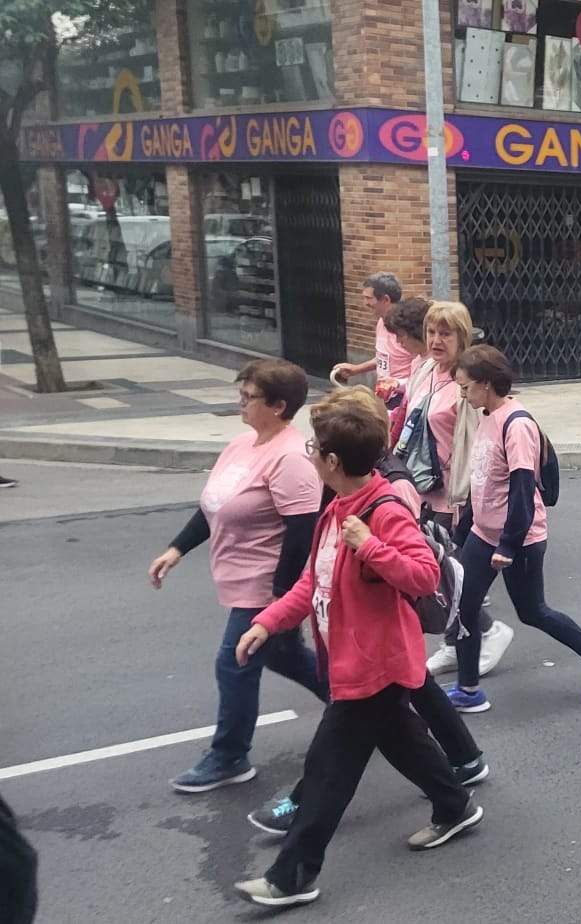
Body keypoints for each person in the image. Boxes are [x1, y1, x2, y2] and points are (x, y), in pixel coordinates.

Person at [229, 395, 482, 908]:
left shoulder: (381, 510)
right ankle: (455, 805)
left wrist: (369, 544)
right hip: (356, 661)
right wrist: (267, 623)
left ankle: (291, 876)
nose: (310, 455)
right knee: (404, 741)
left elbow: (422, 574)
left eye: (315, 449)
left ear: (333, 463)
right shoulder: (337, 509)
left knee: (328, 766)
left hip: (374, 664)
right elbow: (312, 583)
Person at [148, 359, 323, 794]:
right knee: (284, 655)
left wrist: (281, 602)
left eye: (248, 397)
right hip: (238, 576)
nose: (240, 404)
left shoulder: (291, 459)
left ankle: (230, 755)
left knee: (235, 662)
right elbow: (216, 504)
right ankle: (364, 706)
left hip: (266, 584)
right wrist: (177, 549)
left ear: (279, 406)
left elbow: (302, 535)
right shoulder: (243, 445)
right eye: (240, 395)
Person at [444, 345, 581, 713]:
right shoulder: (487, 415)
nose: (463, 394)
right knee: (464, 607)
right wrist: (468, 524)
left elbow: (522, 488)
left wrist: (508, 545)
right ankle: (468, 688)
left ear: (487, 384)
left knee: (532, 611)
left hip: (519, 539)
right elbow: (485, 479)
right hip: (483, 532)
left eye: (466, 387)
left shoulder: (517, 424)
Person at [389, 299, 515, 680]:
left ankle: (490, 631)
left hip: (454, 493)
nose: (435, 339)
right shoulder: (423, 367)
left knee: (451, 575)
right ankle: (452, 643)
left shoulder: (466, 383)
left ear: (462, 337)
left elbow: (483, 442)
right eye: (431, 331)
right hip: (422, 488)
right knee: (438, 576)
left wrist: (476, 497)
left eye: (445, 333)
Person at [329, 271, 414, 395]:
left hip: (404, 396)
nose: (365, 303)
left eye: (369, 298)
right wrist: (356, 369)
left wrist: (398, 384)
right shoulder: (381, 322)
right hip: (385, 393)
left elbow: (424, 365)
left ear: (385, 299)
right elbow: (383, 357)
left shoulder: (408, 328)